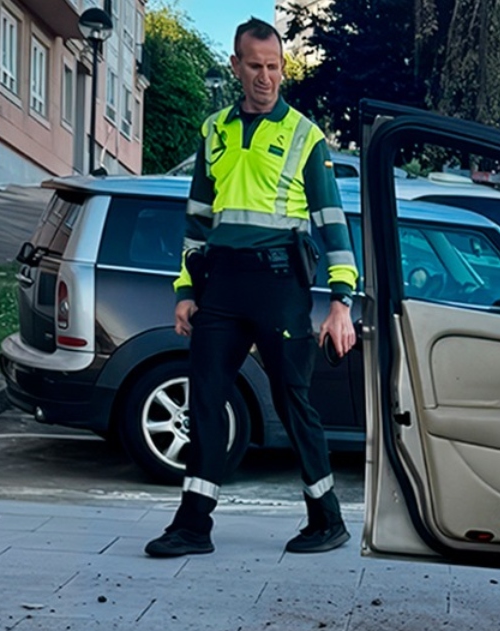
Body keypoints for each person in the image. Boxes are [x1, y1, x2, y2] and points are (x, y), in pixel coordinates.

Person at [145, 17, 358, 559]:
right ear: (235, 66)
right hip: (221, 285)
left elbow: (332, 221)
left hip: (279, 283)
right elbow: (197, 219)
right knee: (205, 398)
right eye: (255, 66)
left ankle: (327, 518)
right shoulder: (213, 130)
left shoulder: (305, 136)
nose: (265, 77)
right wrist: (186, 290)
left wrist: (341, 301)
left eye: (274, 67)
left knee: (291, 400)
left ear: (282, 69)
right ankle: (193, 525)